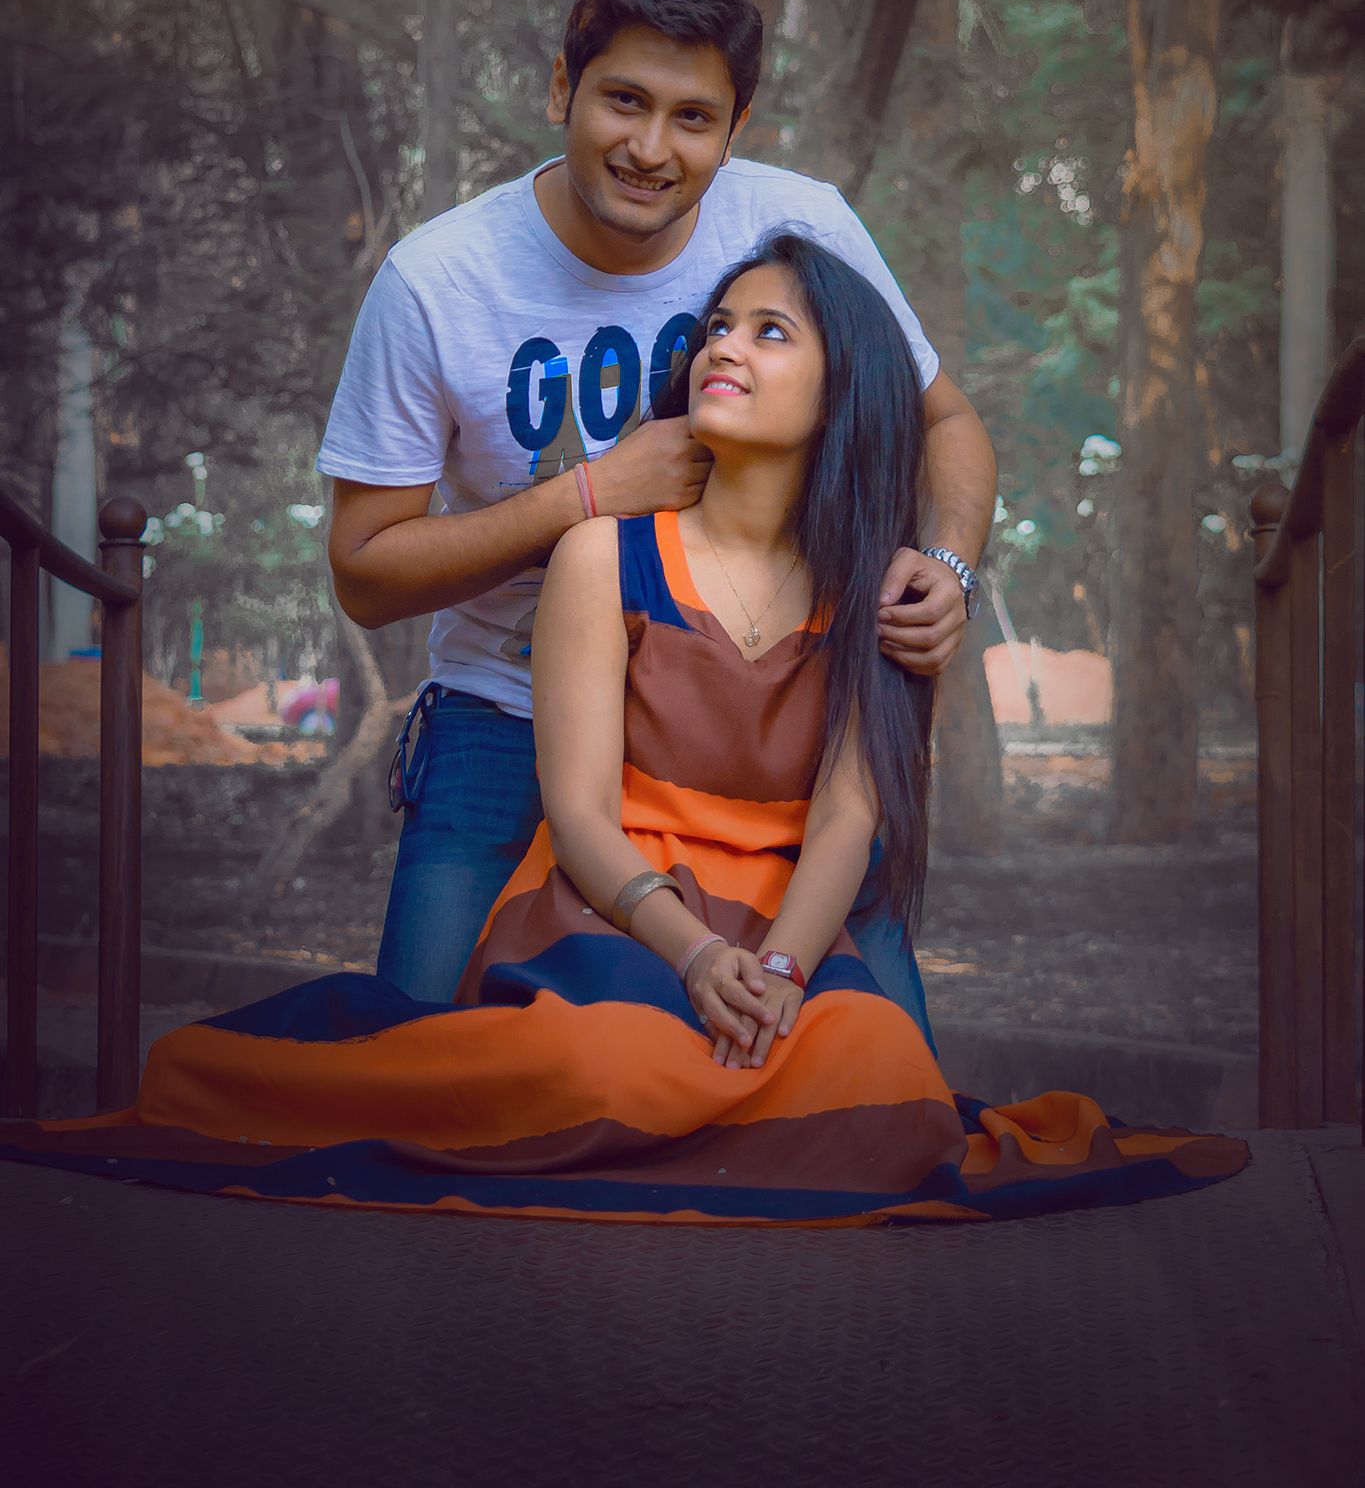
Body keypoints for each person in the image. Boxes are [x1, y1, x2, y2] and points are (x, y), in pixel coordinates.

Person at [0, 235, 1250, 1226]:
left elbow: (850, 815)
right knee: (605, 1066)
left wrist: (778, 975)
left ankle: (712, 1106)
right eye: (719, 325)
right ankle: (679, 1113)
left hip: (781, 925)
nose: (726, 346)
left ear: (844, 389)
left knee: (883, 1068)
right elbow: (583, 816)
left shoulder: (881, 586)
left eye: (771, 331)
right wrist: (695, 956)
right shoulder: (604, 555)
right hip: (618, 910)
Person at [316, 0, 998, 1047]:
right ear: (562, 88)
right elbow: (362, 573)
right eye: (623, 101)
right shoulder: (437, 283)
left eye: (692, 118)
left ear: (736, 129)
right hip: (510, 709)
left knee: (880, 1068)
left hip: (753, 732)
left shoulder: (798, 227)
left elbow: (944, 421)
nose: (649, 148)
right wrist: (587, 495)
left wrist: (950, 565)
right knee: (416, 1057)